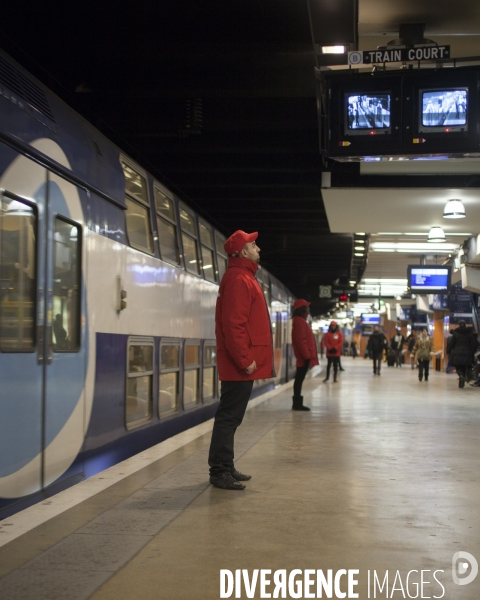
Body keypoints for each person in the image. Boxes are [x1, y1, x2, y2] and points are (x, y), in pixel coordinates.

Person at [209, 230, 274, 490]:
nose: (258, 248)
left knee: (232, 417)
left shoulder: (243, 277)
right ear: (243, 251)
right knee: (228, 417)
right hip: (240, 364)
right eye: (254, 244)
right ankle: (219, 471)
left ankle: (225, 465)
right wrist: (245, 359)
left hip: (242, 363)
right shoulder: (239, 279)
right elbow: (233, 324)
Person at [291, 299, 318, 411]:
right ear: (303, 310)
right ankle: (297, 404)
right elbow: (301, 340)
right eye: (307, 308)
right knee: (299, 379)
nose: (308, 310)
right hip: (304, 357)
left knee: (299, 379)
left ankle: (297, 402)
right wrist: (307, 356)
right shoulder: (300, 322)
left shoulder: (299, 321)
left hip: (304, 356)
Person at [447, 321, 477, 388]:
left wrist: (448, 351)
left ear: (459, 325)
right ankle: (463, 376)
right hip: (467, 354)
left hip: (457, 353)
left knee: (458, 367)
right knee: (465, 366)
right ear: (465, 325)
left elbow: (451, 344)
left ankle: (461, 375)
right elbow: (473, 344)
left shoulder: (456, 334)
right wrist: (472, 352)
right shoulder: (469, 334)